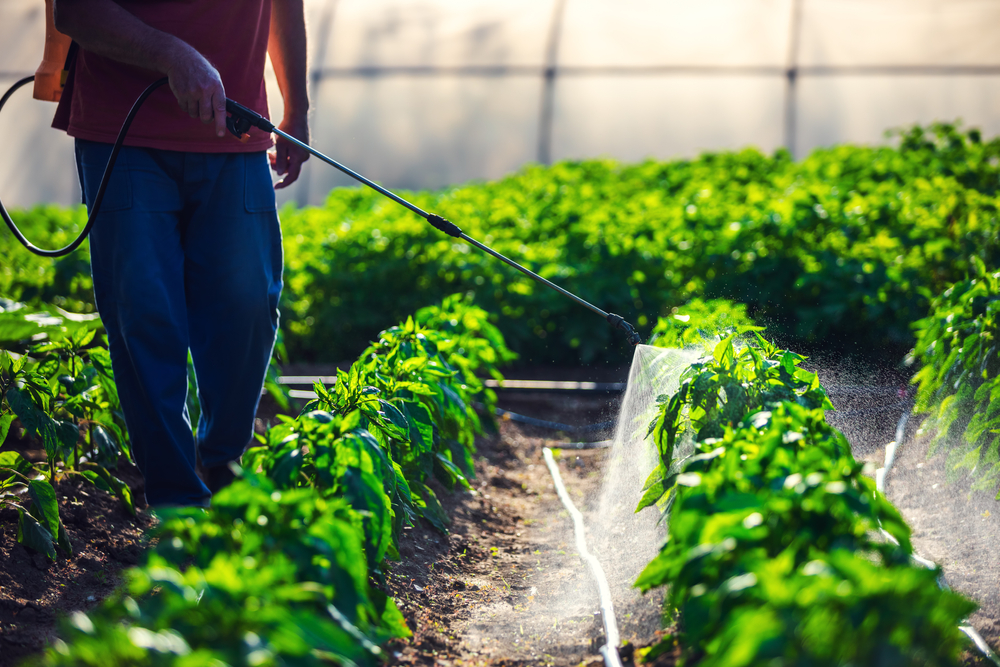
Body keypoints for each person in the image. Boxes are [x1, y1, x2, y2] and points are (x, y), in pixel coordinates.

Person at [51, 0, 309, 508]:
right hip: (122, 131)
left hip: (236, 128)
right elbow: (75, 11)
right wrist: (171, 55)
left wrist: (296, 108)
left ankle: (222, 460)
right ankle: (177, 501)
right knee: (143, 316)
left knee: (250, 303)